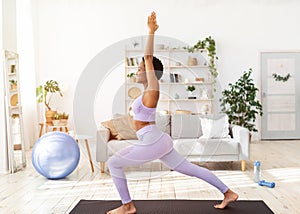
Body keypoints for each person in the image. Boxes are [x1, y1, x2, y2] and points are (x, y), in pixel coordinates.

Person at [106, 12, 238, 214]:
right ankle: (228, 192)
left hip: (152, 141)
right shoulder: (144, 92)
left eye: (141, 69)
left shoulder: (153, 89)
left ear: (150, 72)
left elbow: (148, 57)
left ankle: (127, 206)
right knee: (192, 169)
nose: (137, 71)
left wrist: (150, 32)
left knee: (114, 163)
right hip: (155, 140)